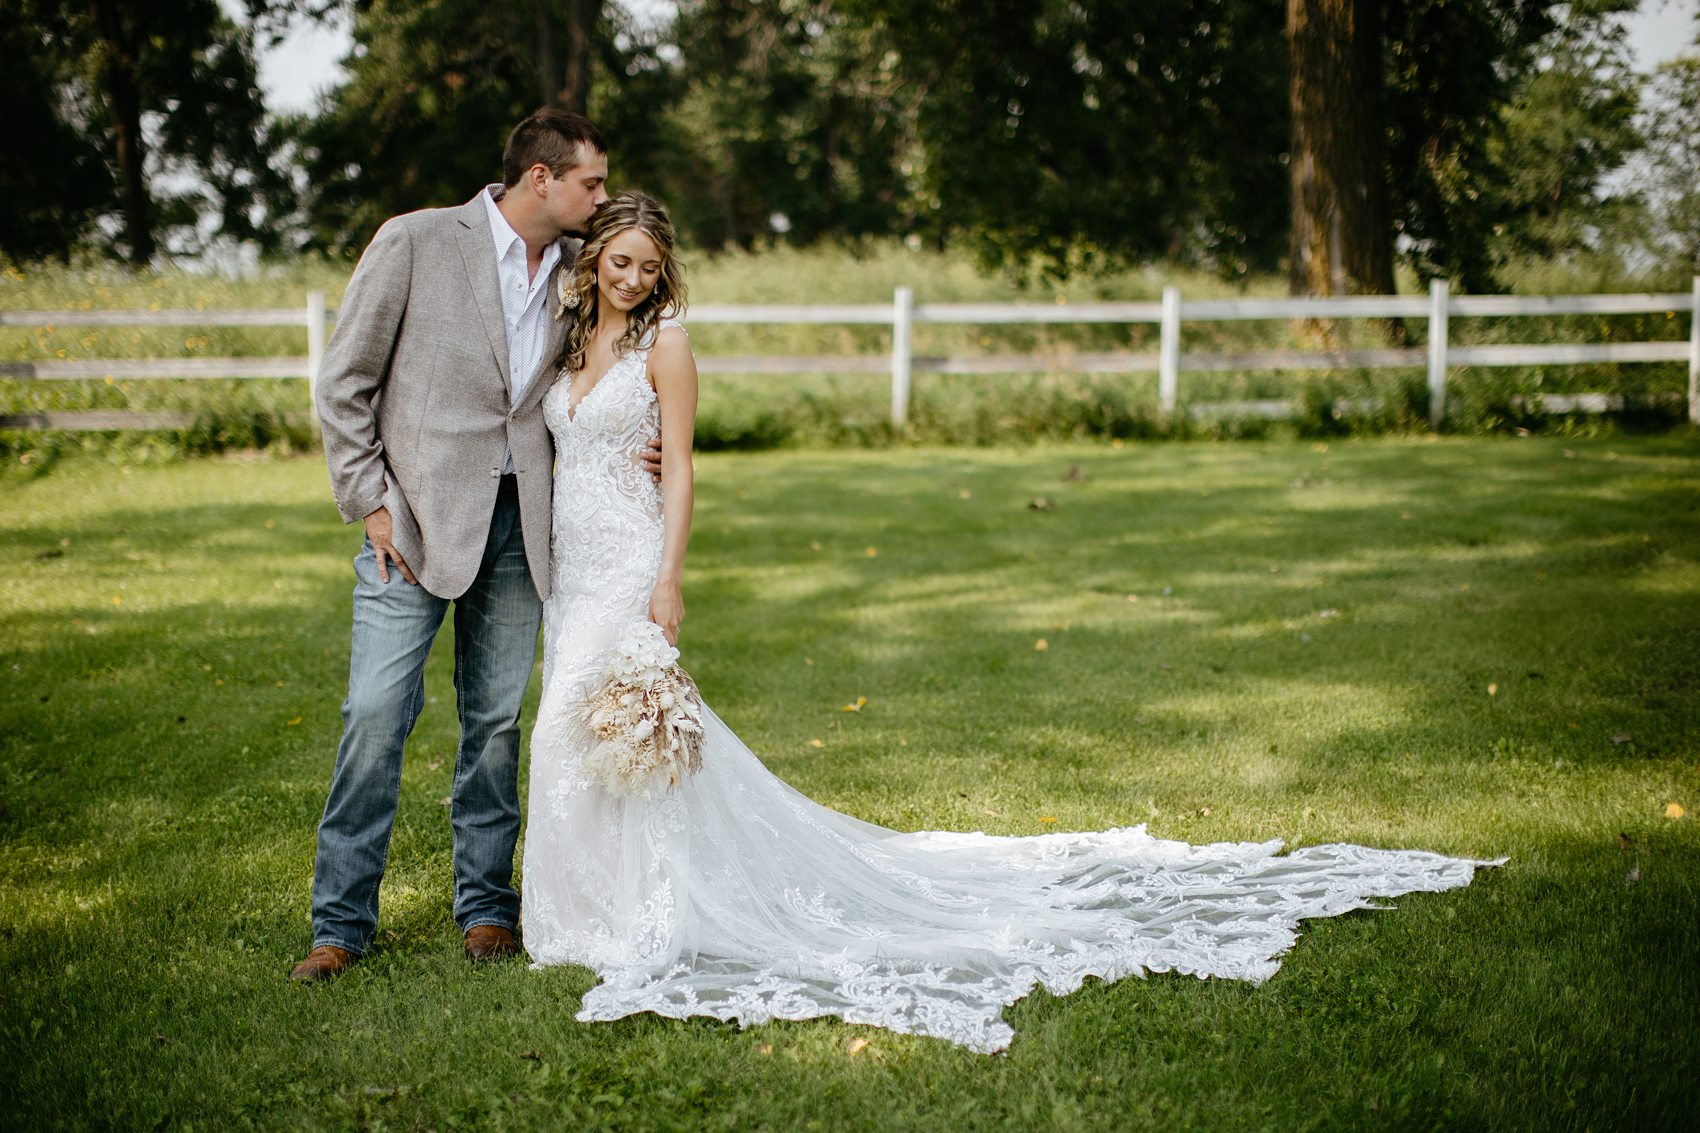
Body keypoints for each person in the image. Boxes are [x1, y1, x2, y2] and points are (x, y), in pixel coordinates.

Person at [521, 193, 1505, 1053]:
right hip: (574, 562)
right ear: (594, 257)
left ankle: (635, 915)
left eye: (649, 267)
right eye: (619, 262)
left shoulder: (670, 345)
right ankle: (572, 913)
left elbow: (684, 465)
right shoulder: (568, 342)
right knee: (570, 725)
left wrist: (671, 579)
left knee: (612, 718)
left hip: (634, 560)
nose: (634, 279)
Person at [292, 110, 660, 982]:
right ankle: (339, 923)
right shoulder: (417, 241)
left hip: (523, 524)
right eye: (592, 182)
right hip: (412, 522)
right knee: (377, 716)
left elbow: (640, 357)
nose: (601, 197)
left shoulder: (583, 268)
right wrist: (371, 502)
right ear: (542, 179)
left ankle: (487, 908)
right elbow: (344, 382)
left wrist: (646, 435)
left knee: (494, 725)